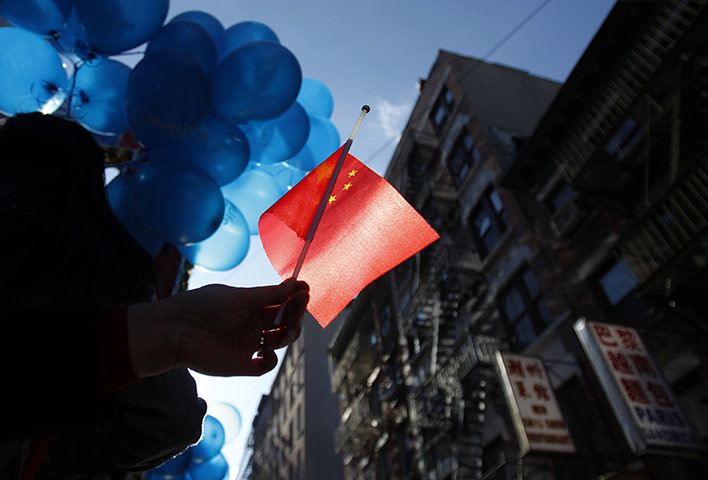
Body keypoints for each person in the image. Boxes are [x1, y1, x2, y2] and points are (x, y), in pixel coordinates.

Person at [0, 112, 310, 480]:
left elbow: (169, 416)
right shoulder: (102, 267)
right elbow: (168, 418)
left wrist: (174, 332)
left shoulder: (95, 270)